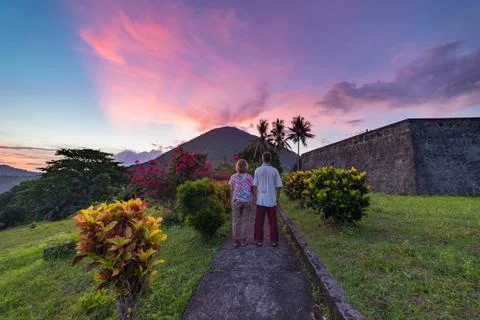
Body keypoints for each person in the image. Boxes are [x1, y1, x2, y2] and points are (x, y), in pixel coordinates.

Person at [252, 152, 282, 247]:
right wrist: (277, 199)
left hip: (260, 200)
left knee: (259, 221)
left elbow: (255, 186)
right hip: (271, 200)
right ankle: (273, 241)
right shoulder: (275, 171)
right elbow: (278, 187)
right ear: (270, 159)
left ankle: (259, 240)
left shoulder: (257, 170)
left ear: (262, 159)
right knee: (273, 221)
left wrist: (255, 197)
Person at [228, 159, 254, 247]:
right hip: (246, 201)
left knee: (236, 221)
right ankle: (243, 241)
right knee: (245, 220)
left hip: (236, 201)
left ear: (237, 167)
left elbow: (231, 189)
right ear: (246, 166)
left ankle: (236, 241)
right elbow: (252, 189)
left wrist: (232, 199)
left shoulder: (233, 177)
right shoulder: (249, 177)